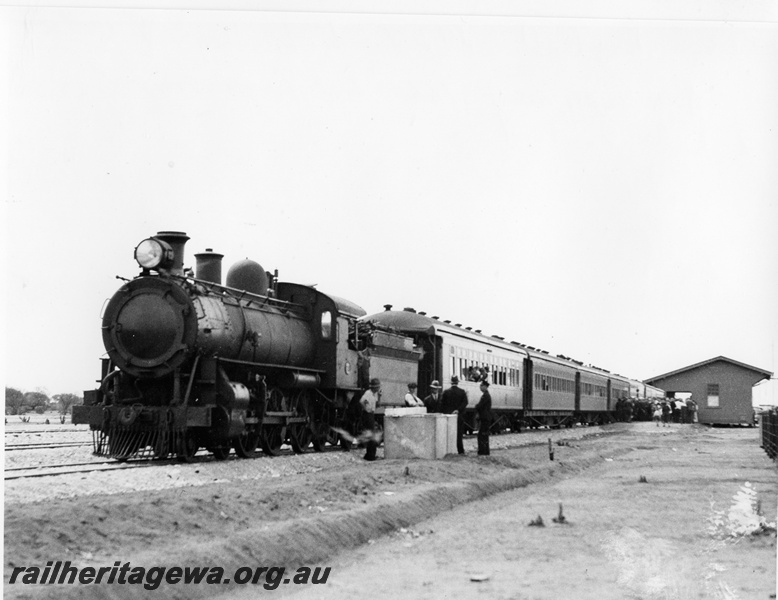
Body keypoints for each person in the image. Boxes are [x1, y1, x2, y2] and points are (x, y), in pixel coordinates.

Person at [441, 375, 468, 455]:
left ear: (451, 382)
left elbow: (442, 404)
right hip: (459, 416)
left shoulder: (446, 392)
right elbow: (465, 403)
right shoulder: (462, 392)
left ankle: (449, 450)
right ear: (457, 382)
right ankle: (460, 451)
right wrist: (458, 410)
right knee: (459, 434)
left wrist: (447, 412)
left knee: (448, 433)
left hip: (448, 416)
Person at [359, 378, 381, 461]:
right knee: (371, 434)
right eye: (377, 387)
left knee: (371, 434)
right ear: (375, 387)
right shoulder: (368, 393)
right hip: (367, 415)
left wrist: (380, 396)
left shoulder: (374, 394)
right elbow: (362, 401)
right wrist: (367, 409)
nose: (378, 389)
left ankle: (370, 454)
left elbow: (378, 405)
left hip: (370, 414)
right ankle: (370, 456)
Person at [475, 380, 492, 456]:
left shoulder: (485, 396)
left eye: (481, 385)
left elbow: (480, 405)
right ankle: (484, 451)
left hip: (484, 418)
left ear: (485, 386)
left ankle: (483, 451)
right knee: (484, 435)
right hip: (485, 417)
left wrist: (476, 406)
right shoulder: (486, 395)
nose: (480, 387)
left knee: (482, 435)